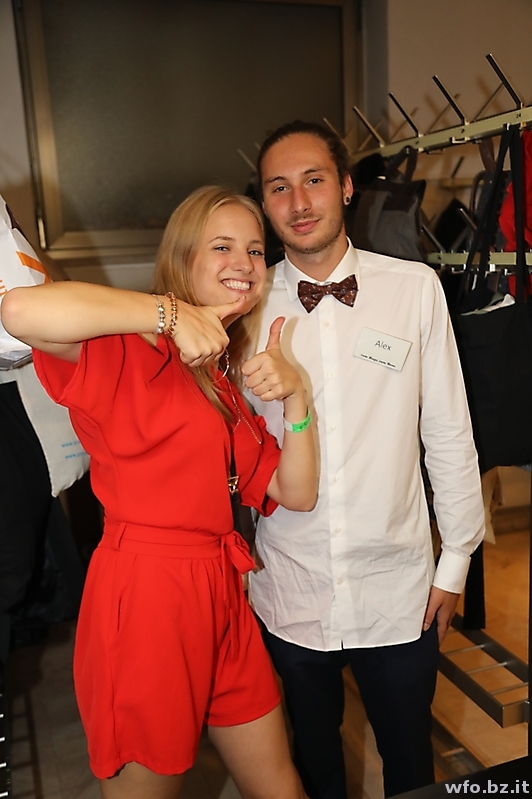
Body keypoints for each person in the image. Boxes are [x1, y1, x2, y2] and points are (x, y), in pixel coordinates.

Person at [1, 185, 317, 799]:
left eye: (255, 250)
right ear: (182, 259)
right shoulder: (128, 344)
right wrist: (166, 314)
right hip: (148, 596)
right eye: (222, 246)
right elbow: (18, 310)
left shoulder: (220, 382)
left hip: (223, 593)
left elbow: (294, 490)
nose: (245, 262)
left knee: (282, 788)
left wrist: (297, 398)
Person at [246, 121, 485, 799]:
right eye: (279, 187)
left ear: (347, 186)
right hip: (289, 587)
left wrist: (456, 559)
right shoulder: (243, 303)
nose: (299, 202)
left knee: (410, 765)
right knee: (313, 766)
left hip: (397, 589)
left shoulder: (414, 289)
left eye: (314, 180)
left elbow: (448, 430)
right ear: (263, 203)